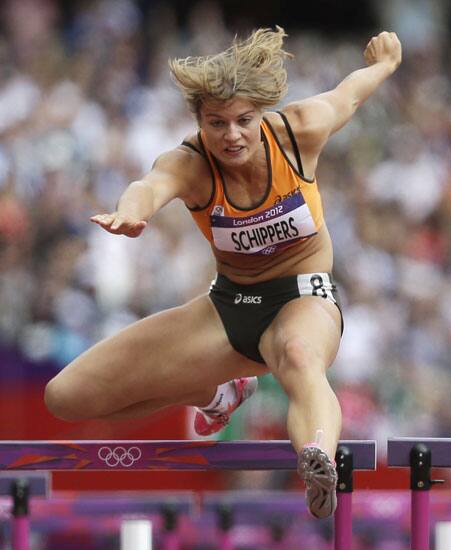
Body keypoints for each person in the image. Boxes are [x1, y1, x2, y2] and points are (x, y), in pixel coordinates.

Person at [43, 27, 402, 517]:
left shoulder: (299, 131)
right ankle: (218, 393)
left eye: (243, 121)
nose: (231, 135)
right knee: (65, 397)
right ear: (199, 121)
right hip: (230, 307)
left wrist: (382, 65)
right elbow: (149, 185)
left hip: (303, 299)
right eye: (217, 123)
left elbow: (349, 96)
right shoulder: (190, 164)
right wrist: (132, 212)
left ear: (262, 114)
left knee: (298, 357)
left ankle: (318, 458)